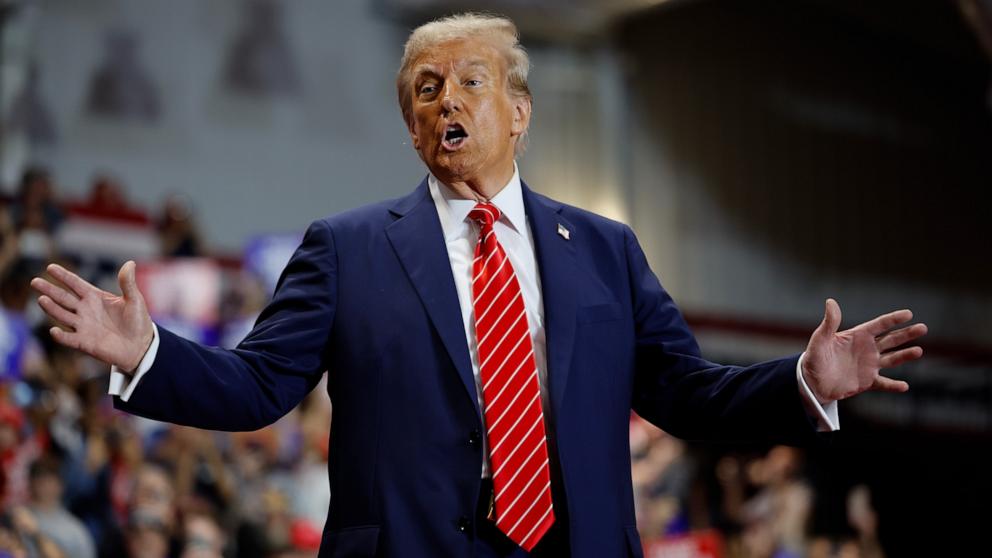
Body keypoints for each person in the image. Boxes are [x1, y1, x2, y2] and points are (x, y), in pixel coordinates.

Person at [30, 13, 926, 558]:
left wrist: (803, 382)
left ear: (521, 111)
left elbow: (689, 395)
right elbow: (260, 386)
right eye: (424, 90)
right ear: (412, 130)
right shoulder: (345, 249)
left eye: (469, 81)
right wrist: (145, 354)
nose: (445, 101)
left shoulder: (607, 250)